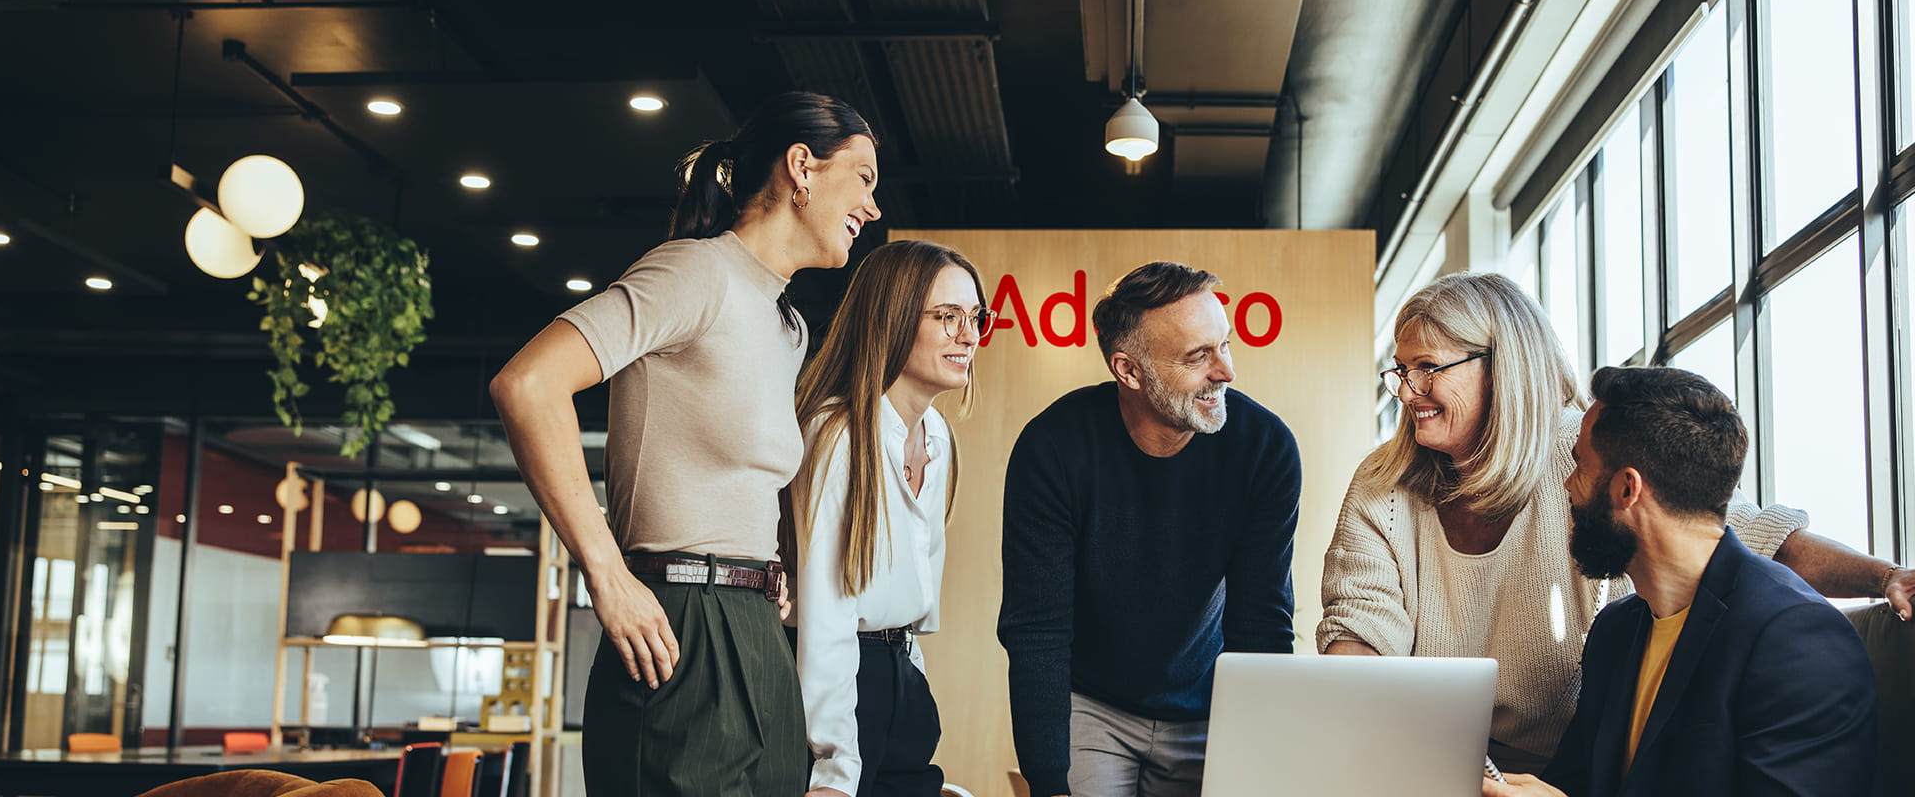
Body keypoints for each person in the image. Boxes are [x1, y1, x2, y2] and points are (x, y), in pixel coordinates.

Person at [1319, 272, 1911, 773]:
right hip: (1433, 759)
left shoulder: (1584, 456)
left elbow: (1740, 536)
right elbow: (1359, 636)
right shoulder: (1385, 484)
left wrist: (1886, 575)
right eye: (1400, 370)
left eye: (1426, 368)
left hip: (1575, 767)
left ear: (1500, 369)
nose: (1406, 391)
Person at [488, 91, 882, 796]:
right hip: (677, 622)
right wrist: (606, 575)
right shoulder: (695, 272)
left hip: (755, 627)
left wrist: (765, 571)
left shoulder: (787, 325)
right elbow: (527, 385)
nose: (873, 207)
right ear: (802, 169)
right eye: (864, 178)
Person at [1484, 366, 1876, 797]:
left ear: (1626, 489)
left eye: (1580, 465)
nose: (1567, 484)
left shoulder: (1797, 639)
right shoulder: (1616, 633)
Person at [997, 261, 1304, 797]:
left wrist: (1263, 765)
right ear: (1130, 370)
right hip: (1092, 704)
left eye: (1225, 345)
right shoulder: (1052, 449)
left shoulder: (1265, 450)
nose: (1226, 371)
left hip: (1212, 703)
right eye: (1198, 356)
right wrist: (1049, 784)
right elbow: (1037, 631)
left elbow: (1263, 623)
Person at [786, 240, 992, 797]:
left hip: (901, 672)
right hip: (838, 687)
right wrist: (833, 766)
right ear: (893, 319)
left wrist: (913, 682)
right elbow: (827, 615)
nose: (969, 336)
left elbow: (911, 598)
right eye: (947, 317)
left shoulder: (938, 437)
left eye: (975, 317)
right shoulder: (839, 435)